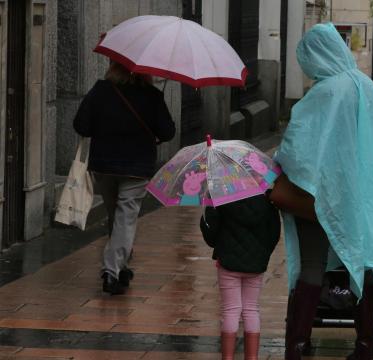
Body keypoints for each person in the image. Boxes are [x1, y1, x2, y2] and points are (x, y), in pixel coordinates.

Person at [269, 23, 373, 360]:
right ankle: (365, 344)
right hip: (362, 199)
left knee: (312, 266)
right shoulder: (368, 88)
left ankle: (297, 345)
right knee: (362, 262)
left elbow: (298, 148)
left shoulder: (325, 93)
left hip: (318, 199)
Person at [73, 61, 176, 295]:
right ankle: (111, 270)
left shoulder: (101, 90)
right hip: (136, 168)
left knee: (116, 216)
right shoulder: (151, 95)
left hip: (105, 166)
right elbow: (168, 132)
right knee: (125, 218)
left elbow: (81, 125)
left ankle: (120, 266)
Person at [200, 195, 280, 360]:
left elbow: (211, 235)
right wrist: (262, 254)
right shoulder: (267, 201)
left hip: (228, 263)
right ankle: (252, 357)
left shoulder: (221, 198)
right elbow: (274, 233)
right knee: (251, 309)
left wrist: (208, 210)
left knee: (231, 310)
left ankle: (227, 357)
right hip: (256, 264)